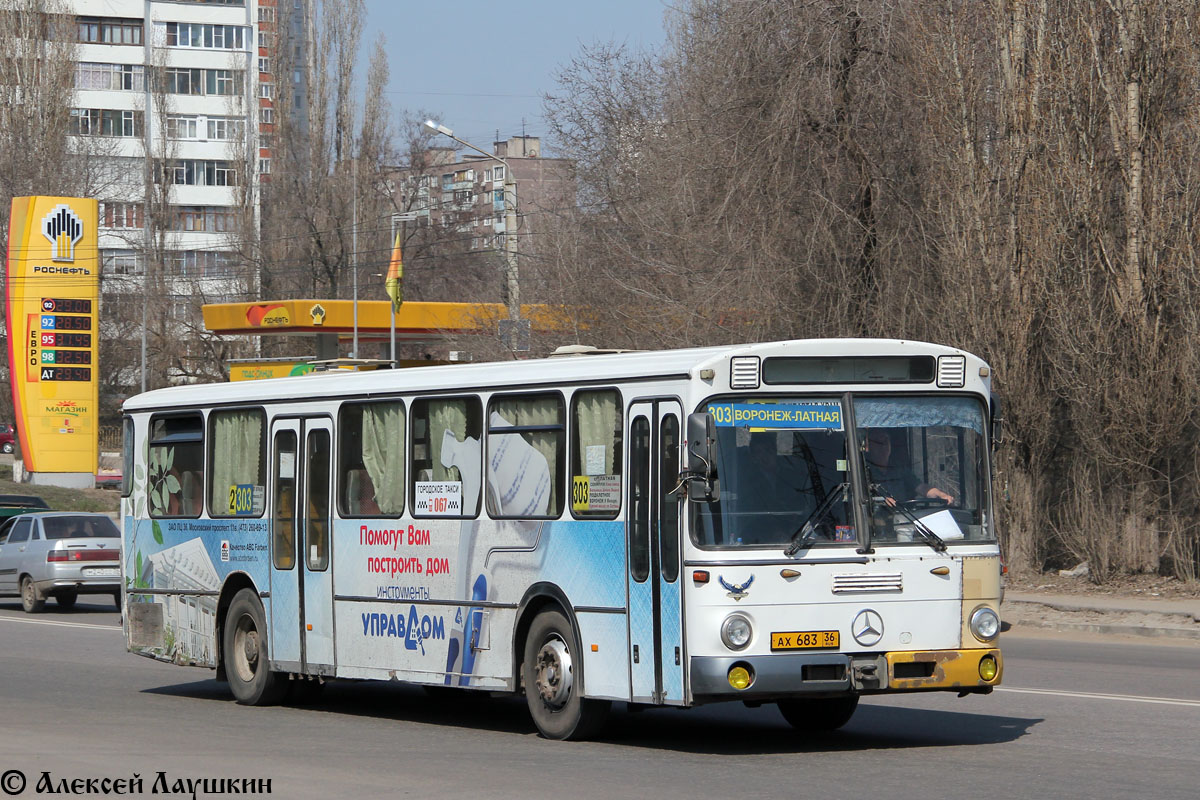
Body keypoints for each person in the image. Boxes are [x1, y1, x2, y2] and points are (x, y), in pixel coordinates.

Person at [863, 429, 954, 507]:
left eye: (886, 441)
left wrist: (941, 495)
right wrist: (881, 502)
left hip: (905, 518)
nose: (883, 446)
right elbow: (862, 499)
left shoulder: (898, 467)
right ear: (869, 446)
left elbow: (920, 487)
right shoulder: (863, 469)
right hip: (877, 522)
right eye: (878, 443)